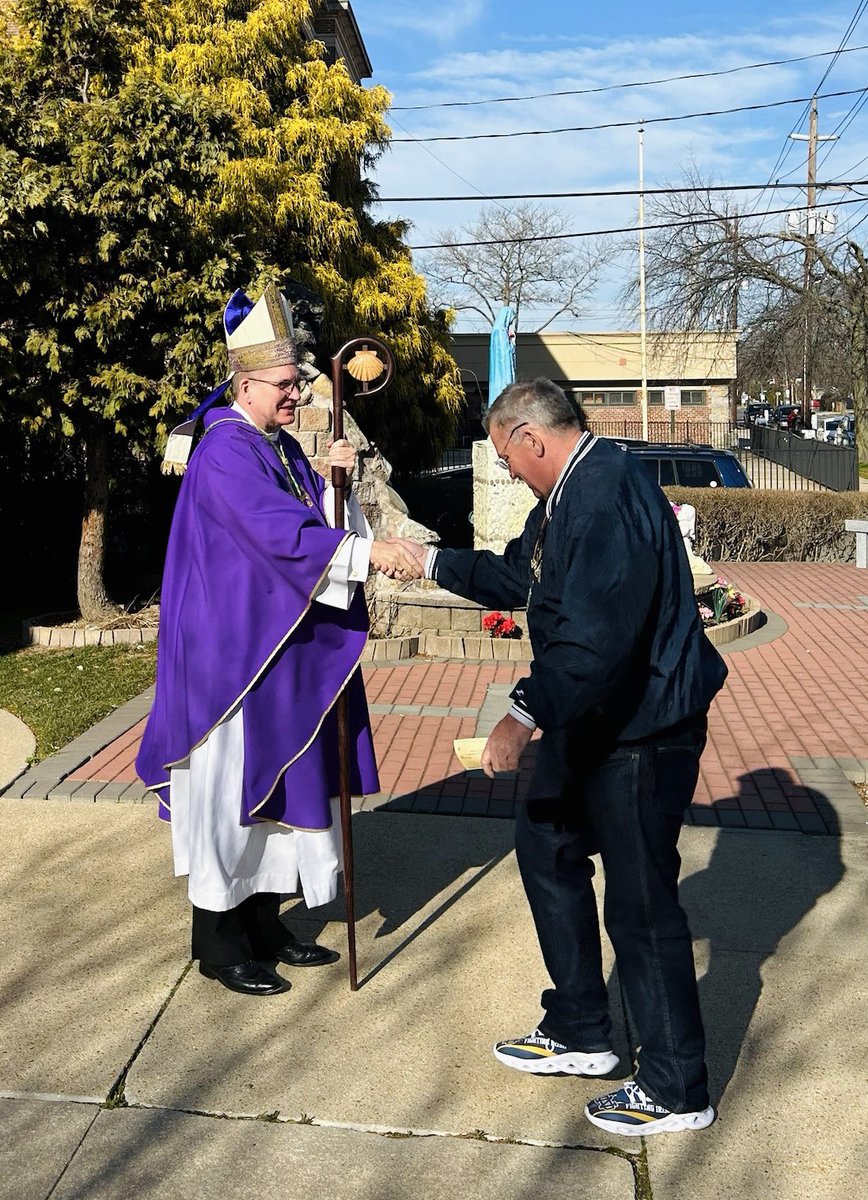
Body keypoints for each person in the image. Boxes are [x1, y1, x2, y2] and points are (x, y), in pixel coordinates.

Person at [398, 378, 727, 1137]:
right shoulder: (567, 493)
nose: (507, 470)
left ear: (531, 438)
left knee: (641, 907)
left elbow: (595, 641)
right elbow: (522, 577)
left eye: (505, 456)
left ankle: (677, 1087)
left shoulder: (604, 494)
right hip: (596, 723)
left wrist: (520, 718)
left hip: (643, 731)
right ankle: (581, 1028)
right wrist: (432, 562)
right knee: (546, 841)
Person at [136, 284, 421, 997]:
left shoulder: (279, 446)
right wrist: (370, 554)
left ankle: (265, 926)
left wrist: (335, 485)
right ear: (247, 385)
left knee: (279, 789)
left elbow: (312, 522)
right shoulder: (225, 452)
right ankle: (219, 943)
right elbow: (278, 536)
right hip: (232, 662)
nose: (297, 394)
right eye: (287, 384)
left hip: (272, 650)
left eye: (298, 382)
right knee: (233, 796)